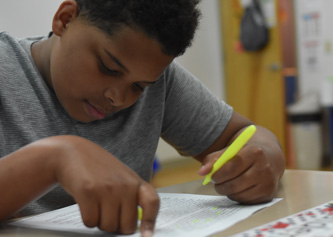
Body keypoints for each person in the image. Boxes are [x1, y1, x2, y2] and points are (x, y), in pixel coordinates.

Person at [0, 0, 285, 236]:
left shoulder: (160, 84)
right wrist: (56, 158)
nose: (119, 98)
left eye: (139, 86)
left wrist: (266, 158)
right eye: (108, 67)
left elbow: (247, 134)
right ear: (65, 19)